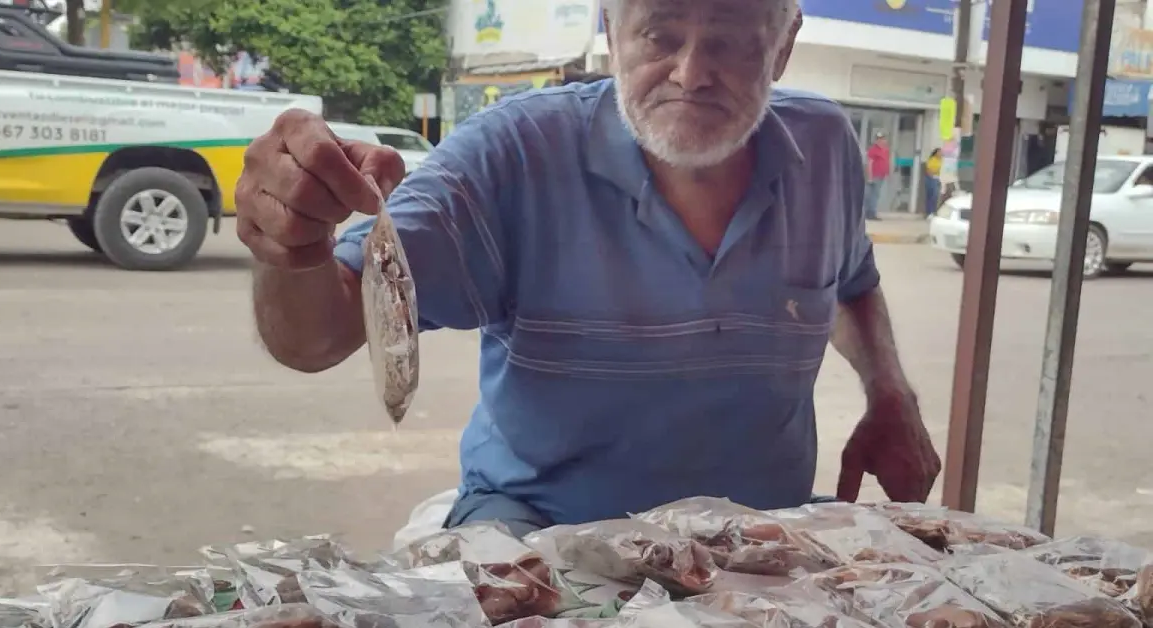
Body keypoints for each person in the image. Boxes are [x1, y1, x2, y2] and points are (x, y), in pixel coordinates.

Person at [235, 0, 941, 538]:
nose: (692, 73)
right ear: (612, 30)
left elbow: (852, 284)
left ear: (783, 47)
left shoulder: (823, 146)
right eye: (660, 35)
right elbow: (316, 336)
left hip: (754, 542)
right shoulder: (512, 152)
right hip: (538, 531)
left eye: (730, 42)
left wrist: (890, 393)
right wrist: (291, 246)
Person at [865, 132, 890, 220]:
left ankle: (871, 212)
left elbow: (886, 162)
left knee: (875, 195)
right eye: (879, 139)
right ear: (876, 140)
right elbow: (869, 163)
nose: (881, 141)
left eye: (882, 139)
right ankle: (870, 213)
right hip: (874, 176)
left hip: (881, 176)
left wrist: (887, 173)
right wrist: (870, 177)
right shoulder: (873, 150)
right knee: (871, 195)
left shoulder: (885, 150)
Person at [925, 148, 942, 217]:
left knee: (935, 196)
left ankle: (933, 211)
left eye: (941, 152)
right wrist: (933, 175)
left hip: (938, 179)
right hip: (931, 179)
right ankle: (929, 212)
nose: (940, 154)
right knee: (931, 195)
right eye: (939, 152)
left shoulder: (941, 160)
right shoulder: (932, 159)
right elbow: (928, 170)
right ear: (935, 153)